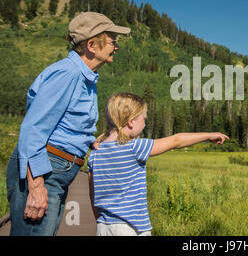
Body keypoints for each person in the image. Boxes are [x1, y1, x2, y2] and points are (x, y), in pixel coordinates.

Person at [6, 12, 131, 236]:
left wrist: (89, 141)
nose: (116, 47)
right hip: (44, 172)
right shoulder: (68, 74)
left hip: (55, 173)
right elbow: (33, 129)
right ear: (91, 44)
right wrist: (36, 187)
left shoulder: (85, 77)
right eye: (113, 41)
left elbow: (64, 123)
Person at [87, 92, 229, 236]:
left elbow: (93, 195)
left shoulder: (95, 154)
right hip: (130, 228)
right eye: (144, 119)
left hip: (103, 226)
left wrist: (99, 221)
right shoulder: (135, 147)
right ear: (131, 122)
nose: (145, 123)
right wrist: (208, 135)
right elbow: (176, 140)